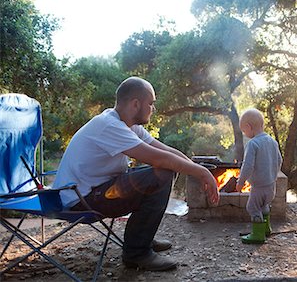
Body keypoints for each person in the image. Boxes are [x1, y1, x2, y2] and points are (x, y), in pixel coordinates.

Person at [53, 76, 219, 271]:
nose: (153, 109)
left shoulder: (129, 126)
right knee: (162, 173)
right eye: (151, 104)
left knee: (164, 171)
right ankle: (136, 253)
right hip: (80, 201)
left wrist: (198, 170)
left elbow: (166, 151)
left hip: (97, 191)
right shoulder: (109, 125)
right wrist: (202, 174)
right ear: (135, 104)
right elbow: (161, 160)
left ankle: (142, 238)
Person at [235, 108, 282, 244]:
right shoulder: (272, 141)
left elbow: (248, 166)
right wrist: (272, 174)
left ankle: (258, 235)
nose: (245, 134)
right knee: (264, 205)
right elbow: (279, 160)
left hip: (258, 186)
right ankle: (266, 228)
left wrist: (241, 181)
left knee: (253, 208)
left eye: (244, 131)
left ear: (249, 127)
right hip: (271, 186)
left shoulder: (253, 144)